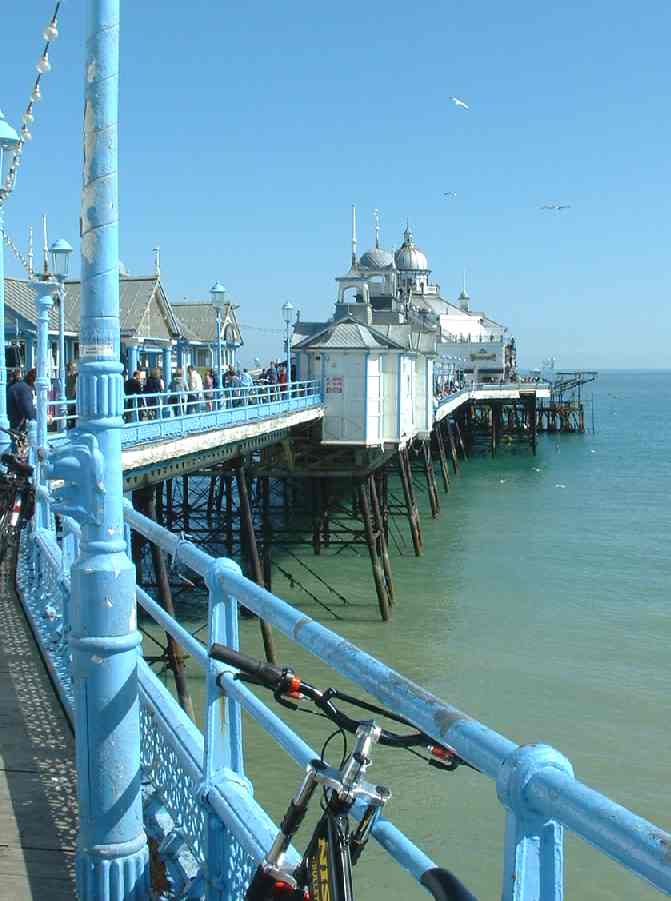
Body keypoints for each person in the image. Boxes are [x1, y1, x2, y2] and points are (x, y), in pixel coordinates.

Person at [65, 361, 78, 429]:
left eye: (74, 368)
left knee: (73, 421)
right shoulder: (69, 377)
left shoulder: (76, 376)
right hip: (70, 403)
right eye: (72, 368)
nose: (74, 370)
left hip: (74, 403)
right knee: (71, 422)